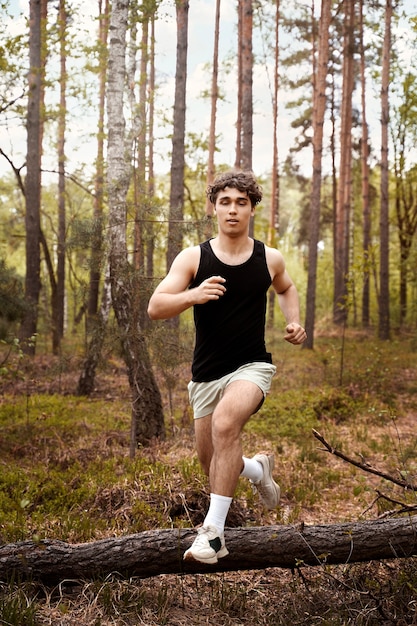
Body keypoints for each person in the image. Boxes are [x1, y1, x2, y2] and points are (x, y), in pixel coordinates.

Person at [147, 169, 306, 564]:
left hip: (252, 366)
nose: (232, 210)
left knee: (225, 425)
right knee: (213, 461)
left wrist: (295, 320)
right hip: (206, 374)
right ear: (213, 208)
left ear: (252, 208)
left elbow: (286, 287)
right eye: (225, 202)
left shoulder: (268, 257)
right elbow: (155, 307)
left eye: (241, 202)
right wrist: (194, 295)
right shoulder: (193, 257)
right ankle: (257, 470)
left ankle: (214, 535)